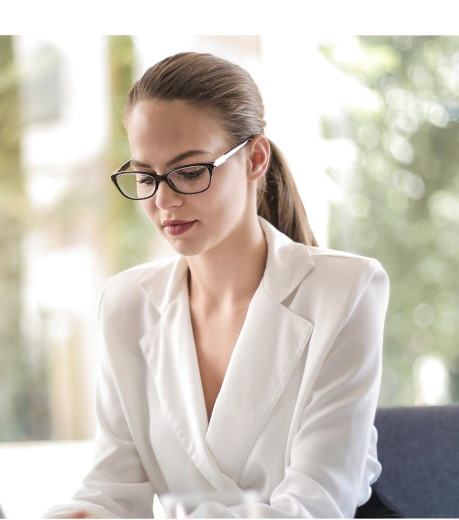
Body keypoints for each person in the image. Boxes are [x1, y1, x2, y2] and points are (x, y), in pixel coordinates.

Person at [44, 52, 398, 519]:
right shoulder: (126, 304)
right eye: (146, 177)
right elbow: (111, 490)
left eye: (190, 172)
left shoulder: (346, 290)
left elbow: (316, 507)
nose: (164, 200)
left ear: (255, 158)